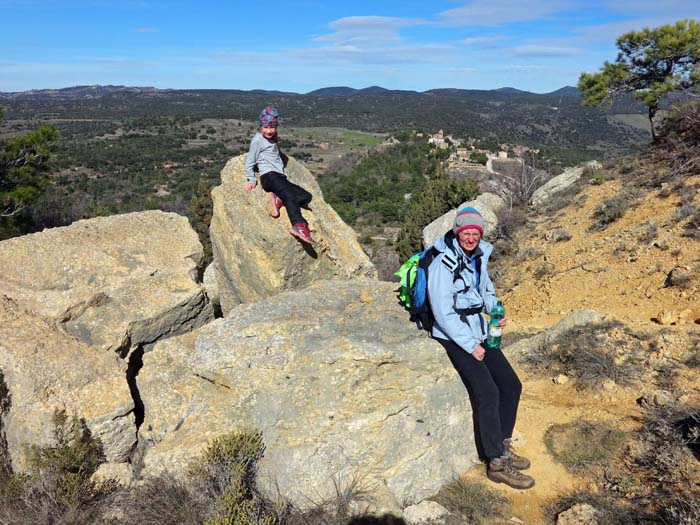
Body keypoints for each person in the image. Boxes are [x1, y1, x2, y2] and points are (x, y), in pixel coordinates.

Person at [427, 206, 534, 490]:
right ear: (458, 232)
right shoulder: (442, 265)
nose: (471, 238)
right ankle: (496, 462)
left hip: (479, 330)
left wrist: (495, 309)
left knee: (511, 386)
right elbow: (443, 312)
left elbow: (485, 292)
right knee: (488, 391)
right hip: (454, 336)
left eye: (476, 233)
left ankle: (503, 443)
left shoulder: (477, 258)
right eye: (466, 233)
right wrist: (470, 345)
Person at [244, 106, 315, 244]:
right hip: (269, 176)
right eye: (265, 127)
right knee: (289, 195)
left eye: (272, 127)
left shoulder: (272, 139)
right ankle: (298, 225)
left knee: (306, 196)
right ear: (260, 125)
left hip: (279, 177)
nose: (269, 130)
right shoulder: (258, 140)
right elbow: (249, 161)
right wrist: (251, 178)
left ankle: (278, 199)